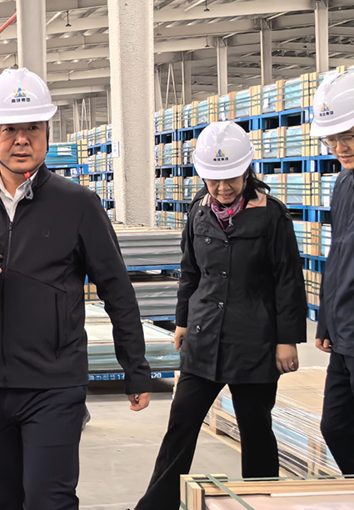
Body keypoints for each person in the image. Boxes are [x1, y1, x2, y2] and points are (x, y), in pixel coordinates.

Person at [0, 68, 151, 510]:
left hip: (54, 386)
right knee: (6, 501)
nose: (21, 140)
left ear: (47, 132)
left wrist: (135, 368)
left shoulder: (77, 204)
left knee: (51, 499)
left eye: (32, 128)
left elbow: (117, 291)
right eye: (9, 129)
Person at [135, 121, 307, 510]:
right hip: (204, 336)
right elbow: (190, 272)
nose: (223, 187)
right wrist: (182, 321)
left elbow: (288, 280)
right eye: (214, 179)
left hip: (254, 340)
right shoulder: (199, 212)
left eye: (231, 178)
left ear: (247, 170)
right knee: (180, 425)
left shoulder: (272, 216)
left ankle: (262, 504)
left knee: (256, 430)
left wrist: (286, 340)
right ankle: (156, 506)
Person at [311, 70, 354, 474]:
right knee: (336, 425)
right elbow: (337, 252)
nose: (340, 147)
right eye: (332, 139)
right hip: (343, 328)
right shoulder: (343, 182)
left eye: (349, 136)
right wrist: (326, 316)